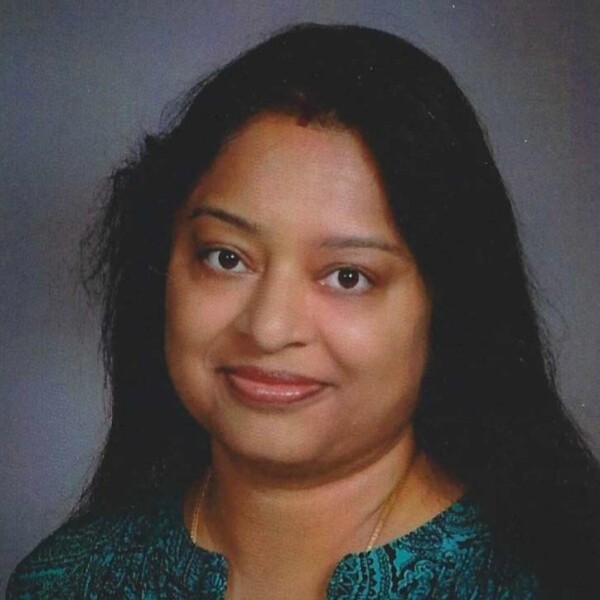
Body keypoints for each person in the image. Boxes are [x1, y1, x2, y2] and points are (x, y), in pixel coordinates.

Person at [7, 23, 600, 599]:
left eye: (348, 276)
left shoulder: (553, 581)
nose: (269, 328)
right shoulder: (65, 583)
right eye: (226, 258)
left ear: (447, 306)